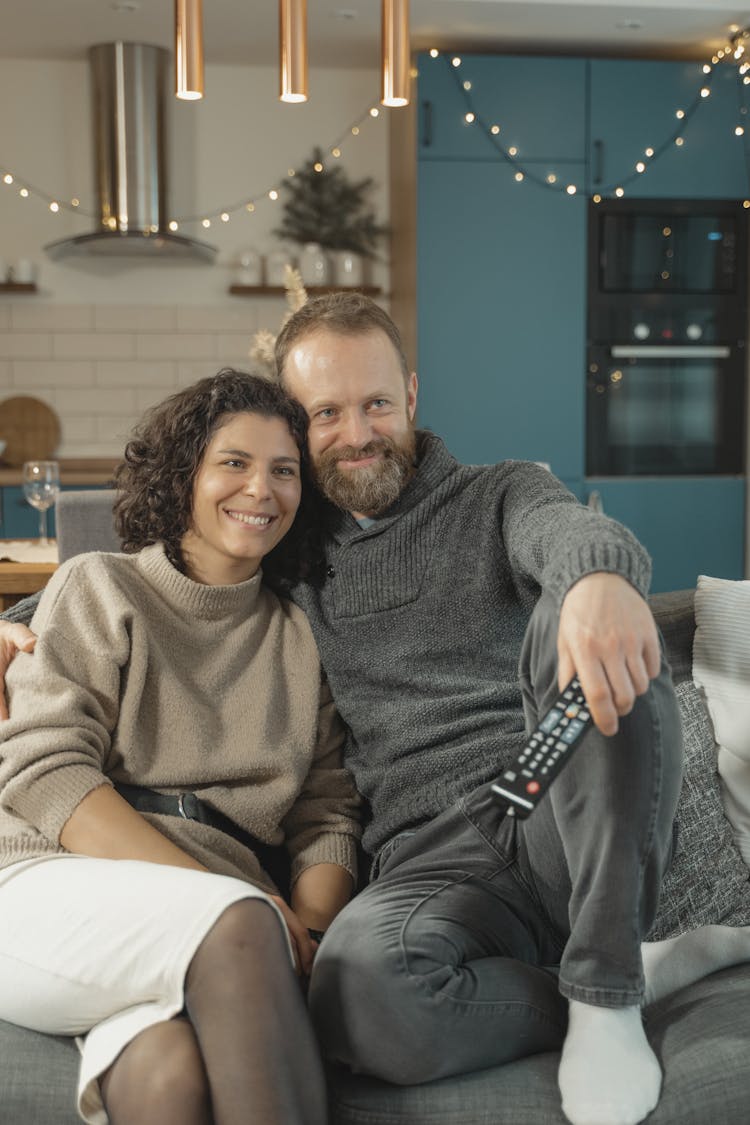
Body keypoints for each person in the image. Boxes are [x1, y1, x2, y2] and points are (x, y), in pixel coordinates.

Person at [2, 297, 749, 1125]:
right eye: (326, 413)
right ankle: (605, 982)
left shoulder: (500, 492)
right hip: (432, 853)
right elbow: (150, 589)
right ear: (299, 426)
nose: (357, 432)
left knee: (587, 630)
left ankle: (608, 984)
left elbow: (564, 530)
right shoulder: (296, 551)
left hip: (539, 789)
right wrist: (9, 627)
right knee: (359, 1001)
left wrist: (599, 579)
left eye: (377, 404)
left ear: (413, 398)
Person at [0, 369, 360, 1125]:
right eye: (234, 462)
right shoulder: (99, 585)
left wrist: (312, 930)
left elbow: (326, 812)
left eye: (284, 470)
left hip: (204, 938)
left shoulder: (299, 638)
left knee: (167, 1075)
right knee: (237, 924)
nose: (261, 489)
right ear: (183, 475)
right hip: (46, 883)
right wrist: (247, 903)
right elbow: (46, 772)